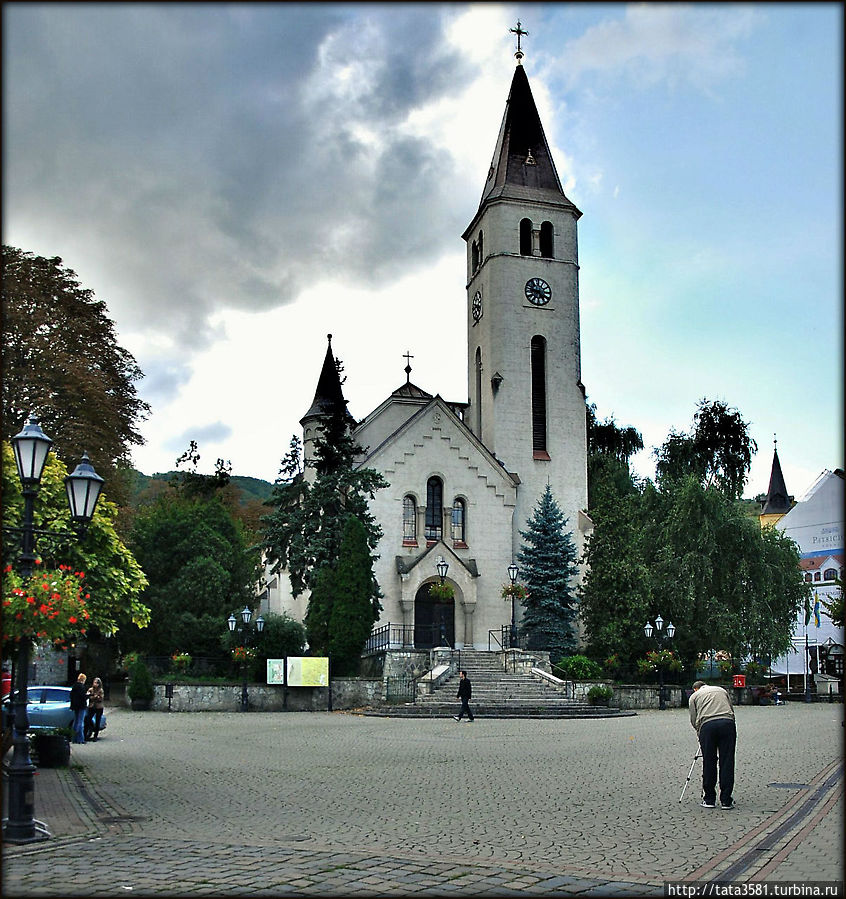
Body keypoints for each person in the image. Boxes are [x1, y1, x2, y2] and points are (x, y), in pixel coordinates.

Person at [689, 680, 736, 809]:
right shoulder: (721, 690)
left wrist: (699, 733)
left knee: (709, 761)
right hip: (727, 723)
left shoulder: (694, 696)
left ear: (696, 689)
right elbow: (731, 709)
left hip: (707, 725)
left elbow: (693, 718)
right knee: (727, 761)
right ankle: (726, 800)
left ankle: (709, 798)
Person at [85, 677, 105, 741]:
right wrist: (95, 697)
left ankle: (95, 736)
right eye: (95, 682)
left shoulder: (100, 690)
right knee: (88, 719)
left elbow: (100, 698)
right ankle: (88, 732)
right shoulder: (91, 689)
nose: (95, 684)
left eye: (97, 683)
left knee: (97, 721)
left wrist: (95, 697)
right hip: (91, 706)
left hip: (98, 707)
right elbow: (88, 696)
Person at [70, 673, 88, 744]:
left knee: (75, 722)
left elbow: (71, 696)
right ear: (83, 680)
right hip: (81, 706)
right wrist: (88, 695)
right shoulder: (81, 687)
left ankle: (73, 738)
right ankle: (80, 739)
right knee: (80, 722)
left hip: (75, 706)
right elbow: (83, 697)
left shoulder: (74, 686)